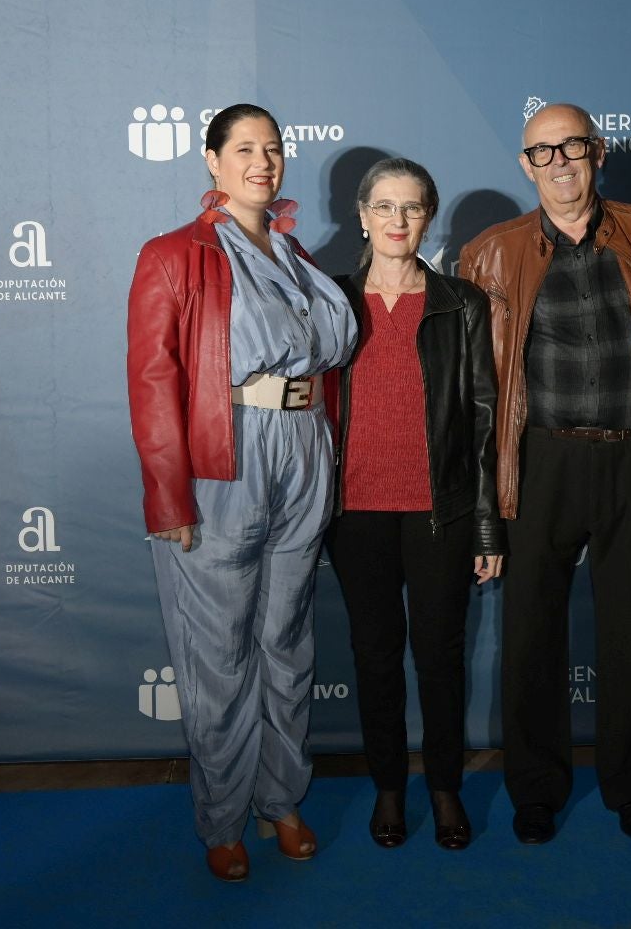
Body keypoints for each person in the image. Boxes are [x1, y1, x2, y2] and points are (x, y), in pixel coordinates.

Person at [458, 102, 631, 845]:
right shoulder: (489, 253)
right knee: (531, 635)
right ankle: (536, 792)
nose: (560, 163)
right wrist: (483, 497)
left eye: (572, 146)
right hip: (538, 460)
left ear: (597, 153)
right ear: (525, 165)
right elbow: (474, 390)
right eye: (543, 152)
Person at [126, 103, 357, 882]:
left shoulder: (296, 255)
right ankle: (223, 817)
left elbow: (327, 363)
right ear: (212, 160)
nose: (264, 162)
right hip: (223, 459)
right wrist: (168, 498)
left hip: (305, 450)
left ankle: (281, 799)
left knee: (288, 642)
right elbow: (153, 380)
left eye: (274, 148)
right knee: (217, 651)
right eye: (246, 148)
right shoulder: (174, 254)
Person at [325, 157, 506, 852]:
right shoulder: (331, 301)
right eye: (384, 206)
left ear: (428, 217)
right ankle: (389, 790)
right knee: (375, 658)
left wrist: (487, 525)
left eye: (411, 207)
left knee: (439, 657)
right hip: (354, 512)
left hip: (442, 512)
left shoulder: (462, 303)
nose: (397, 220)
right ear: (362, 216)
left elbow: (484, 421)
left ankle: (446, 789)